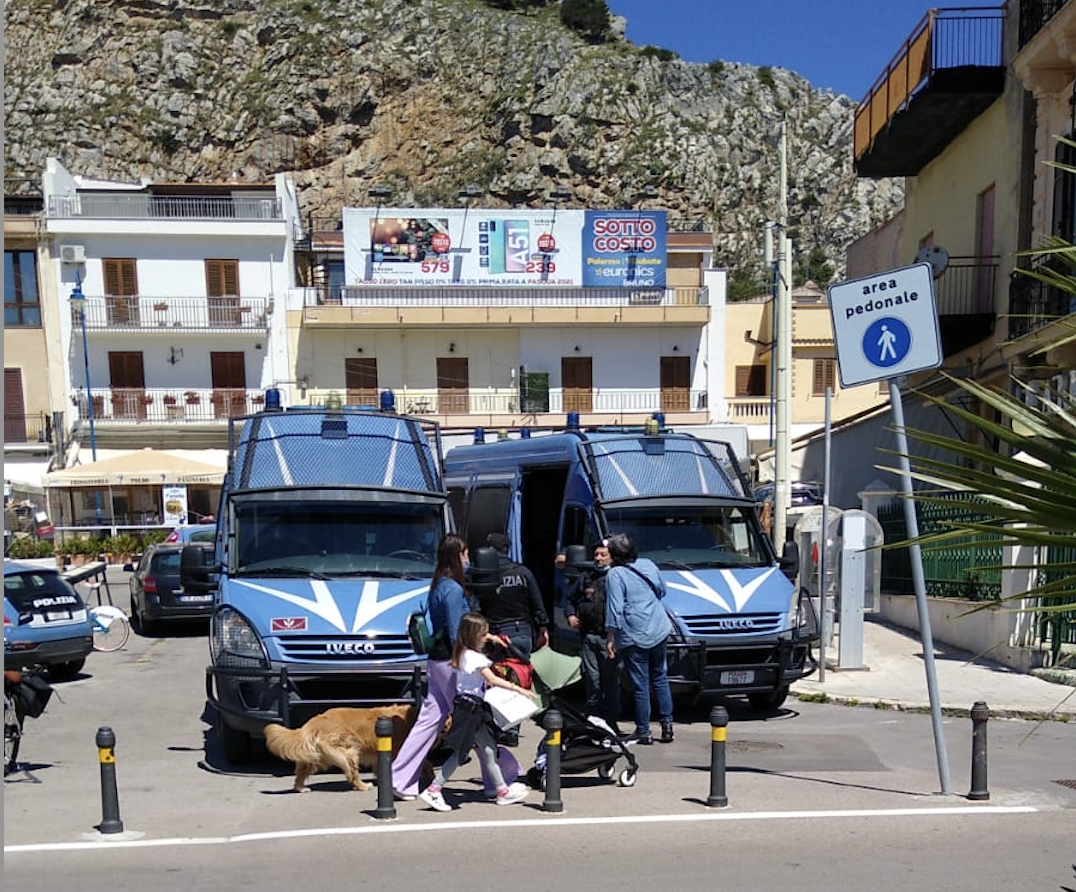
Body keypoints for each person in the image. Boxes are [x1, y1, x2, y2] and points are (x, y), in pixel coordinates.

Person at [391, 534, 520, 801]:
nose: (468, 558)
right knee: (475, 718)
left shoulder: (437, 584)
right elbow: (455, 632)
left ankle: (400, 779)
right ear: (457, 556)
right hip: (452, 661)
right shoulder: (452, 589)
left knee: (429, 721)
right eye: (465, 554)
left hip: (436, 661)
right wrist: (473, 659)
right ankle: (498, 781)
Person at [418, 613, 538, 812]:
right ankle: (434, 788)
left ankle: (502, 790)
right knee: (460, 752)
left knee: (489, 749)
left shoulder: (462, 651)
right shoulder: (474, 657)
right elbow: (492, 679)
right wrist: (518, 688)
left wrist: (492, 637)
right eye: (483, 634)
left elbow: (483, 640)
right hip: (470, 709)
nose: (486, 637)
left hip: (471, 706)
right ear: (473, 635)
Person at [603, 532, 675, 746]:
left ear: (614, 554)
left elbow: (614, 608)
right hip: (659, 626)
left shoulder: (614, 574)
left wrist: (610, 636)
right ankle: (667, 725)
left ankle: (644, 730)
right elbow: (662, 590)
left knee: (640, 683)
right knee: (660, 677)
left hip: (635, 633)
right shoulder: (648, 564)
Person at [566, 540, 621, 732]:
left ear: (612, 557)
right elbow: (571, 599)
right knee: (593, 682)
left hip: (610, 639)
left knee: (610, 683)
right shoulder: (586, 577)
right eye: (596, 554)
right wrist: (570, 615)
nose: (598, 558)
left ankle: (611, 724)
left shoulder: (617, 577)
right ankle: (591, 723)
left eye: (603, 555)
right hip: (589, 638)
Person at [474, 533, 549, 662]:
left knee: (498, 677)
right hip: (521, 632)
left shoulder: (483, 575)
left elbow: (475, 606)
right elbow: (537, 603)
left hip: (494, 634)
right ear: (506, 549)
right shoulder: (523, 572)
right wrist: (543, 627)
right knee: (521, 675)